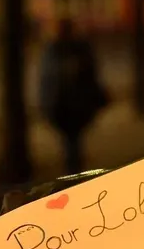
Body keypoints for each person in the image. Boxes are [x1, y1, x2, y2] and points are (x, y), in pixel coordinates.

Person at [39, 19, 109, 174]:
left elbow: (90, 76)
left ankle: (73, 166)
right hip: (65, 107)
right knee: (72, 140)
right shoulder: (57, 50)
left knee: (72, 140)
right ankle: (73, 165)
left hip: (73, 107)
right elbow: (48, 82)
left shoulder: (61, 50)